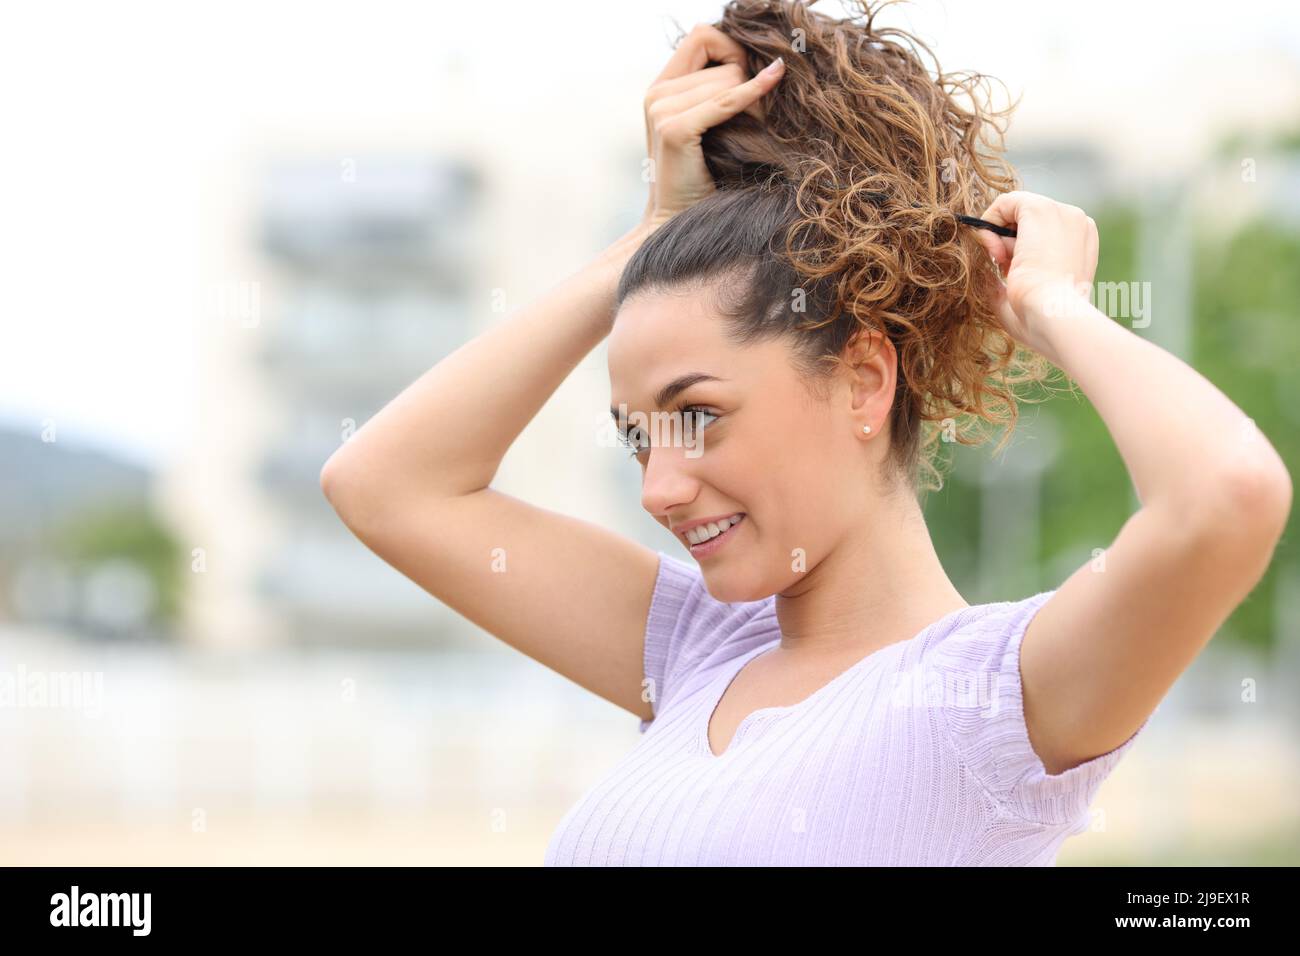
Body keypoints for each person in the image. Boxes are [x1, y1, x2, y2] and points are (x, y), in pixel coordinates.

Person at [319, 0, 1292, 865]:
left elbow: (1227, 495)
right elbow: (384, 482)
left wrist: (1049, 304)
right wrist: (649, 238)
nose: (658, 487)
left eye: (696, 415)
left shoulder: (989, 702)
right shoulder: (698, 649)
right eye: (637, 437)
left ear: (864, 379)